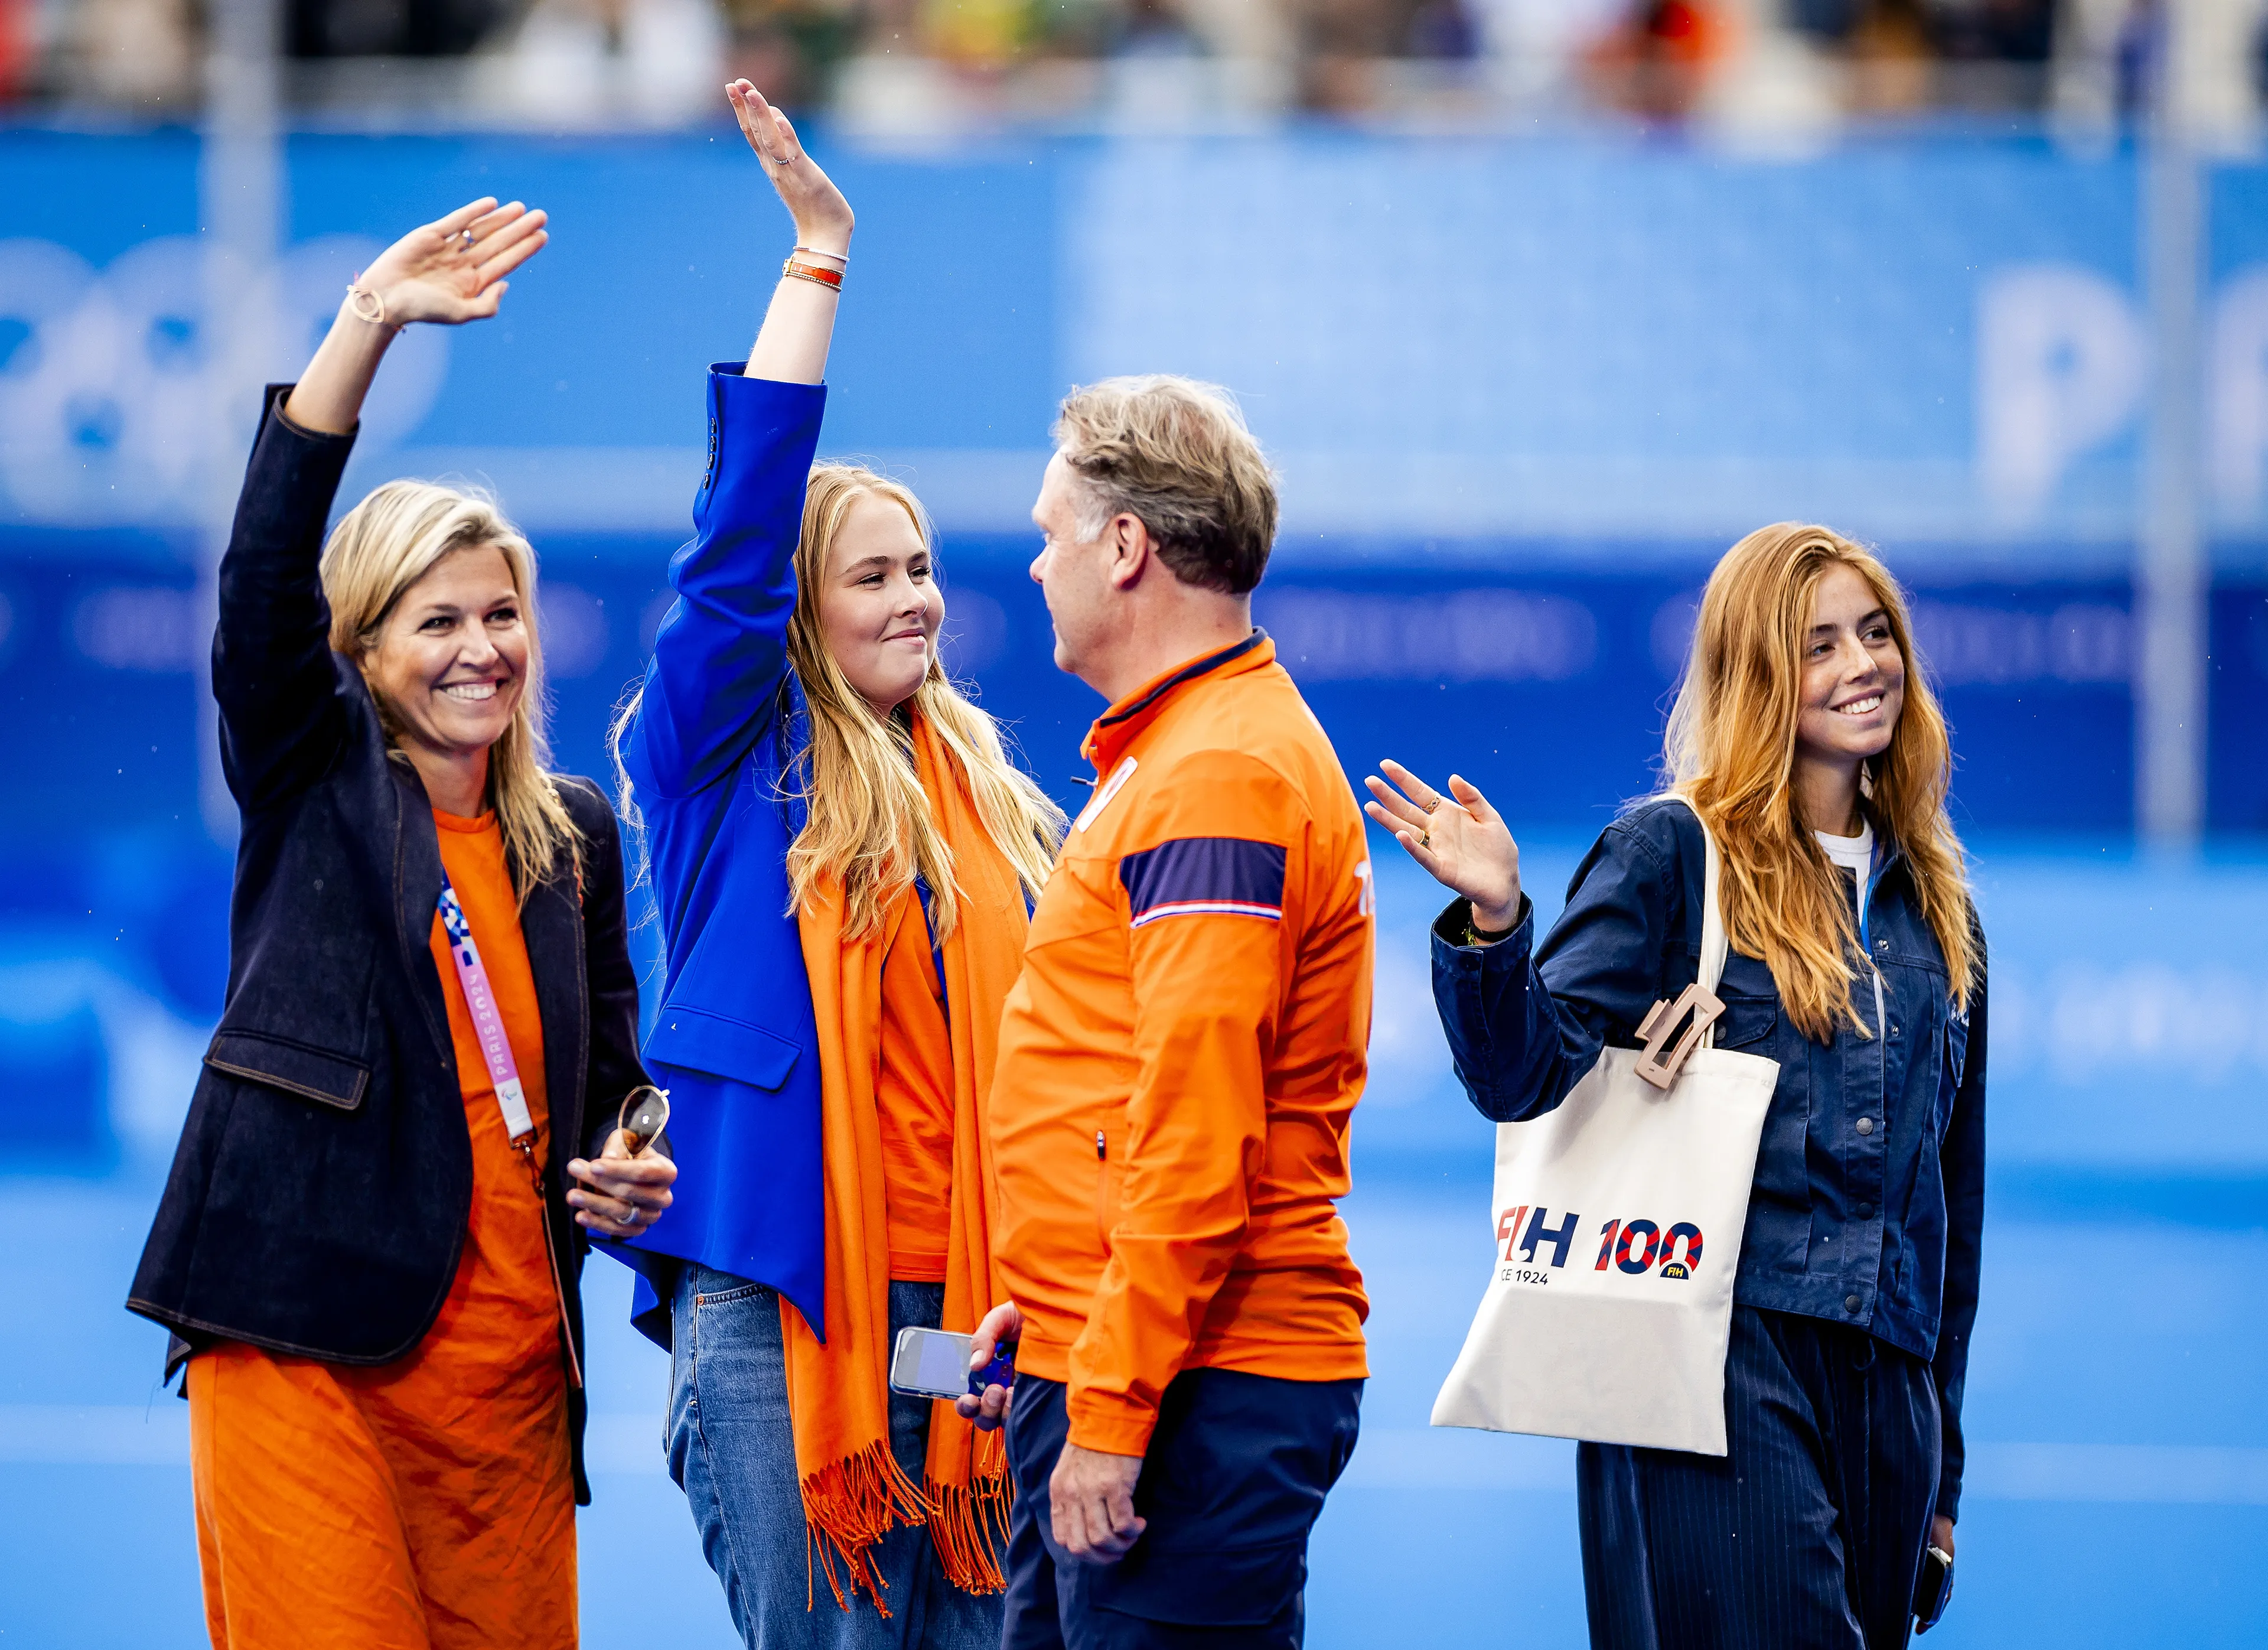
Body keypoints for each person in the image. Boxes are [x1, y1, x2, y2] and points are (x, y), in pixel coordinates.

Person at [125, 196, 676, 1648]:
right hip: (305, 1344)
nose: (479, 649)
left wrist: (633, 1154)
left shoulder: (575, 835)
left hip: (506, 1384)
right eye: (436, 621)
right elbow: (259, 583)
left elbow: (612, 1075)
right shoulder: (313, 778)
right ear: (364, 647)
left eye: (501, 615)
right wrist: (362, 324)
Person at [608, 83, 1065, 1647]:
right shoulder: (723, 766)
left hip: (963, 1315)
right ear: (803, 608)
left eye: (927, 567)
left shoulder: (996, 803)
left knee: (961, 1633)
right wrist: (818, 260)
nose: (918, 598)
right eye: (874, 574)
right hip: (778, 1288)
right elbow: (731, 551)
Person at [1367, 522, 1985, 1649]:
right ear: (1756, 674)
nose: (1863, 666)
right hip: (1708, 1362)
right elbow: (1521, 1075)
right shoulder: (1670, 853)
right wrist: (1496, 922)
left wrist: (1941, 1461)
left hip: (1886, 1393)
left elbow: (1952, 1205)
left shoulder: (1937, 910)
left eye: (1877, 633)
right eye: (1818, 645)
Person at [957, 376, 1374, 1650]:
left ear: (1126, 547)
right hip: (1142, 1359)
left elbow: (1195, 1133)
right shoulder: (1186, 752)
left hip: (1193, 1387)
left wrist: (1114, 1406)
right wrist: (1061, 1309)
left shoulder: (1216, 774)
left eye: (1050, 532)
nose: (1034, 567)